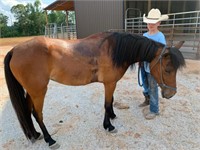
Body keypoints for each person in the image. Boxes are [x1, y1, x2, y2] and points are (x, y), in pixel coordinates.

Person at [138, 8, 168, 120]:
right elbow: (140, 50)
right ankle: (147, 99)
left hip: (153, 67)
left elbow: (162, 53)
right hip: (144, 64)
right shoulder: (145, 35)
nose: (151, 24)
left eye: (153, 22)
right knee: (145, 84)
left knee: (153, 87)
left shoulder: (160, 36)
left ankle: (154, 109)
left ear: (158, 23)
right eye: (149, 22)